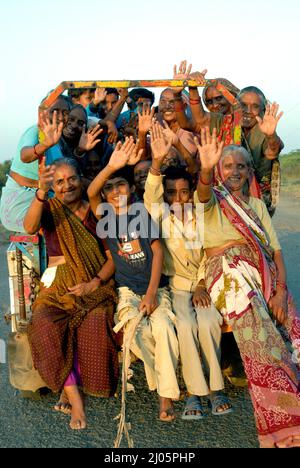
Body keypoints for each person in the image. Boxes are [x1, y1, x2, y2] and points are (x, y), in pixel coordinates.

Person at [194, 127, 300, 448]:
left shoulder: (255, 205)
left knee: (291, 327)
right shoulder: (211, 201)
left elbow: (276, 251)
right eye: (227, 166)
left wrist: (280, 290)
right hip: (229, 276)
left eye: (241, 166)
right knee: (261, 338)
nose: (235, 171)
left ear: (249, 171)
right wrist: (205, 170)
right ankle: (285, 425)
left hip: (264, 273)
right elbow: (201, 194)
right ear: (218, 171)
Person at [87, 138, 180, 422]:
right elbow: (91, 192)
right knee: (134, 335)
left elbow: (157, 250)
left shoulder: (141, 212)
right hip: (127, 291)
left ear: (131, 188)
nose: (116, 192)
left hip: (155, 288)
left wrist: (152, 295)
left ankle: (165, 397)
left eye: (121, 185)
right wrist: (112, 166)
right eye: (110, 188)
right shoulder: (104, 215)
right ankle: (163, 384)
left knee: (163, 327)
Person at [144, 122, 232, 419]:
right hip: (176, 287)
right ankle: (195, 393)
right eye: (172, 193)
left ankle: (216, 389)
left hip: (205, 283)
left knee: (208, 322)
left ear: (191, 192)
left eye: (184, 192)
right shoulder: (160, 214)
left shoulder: (201, 213)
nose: (178, 199)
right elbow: (151, 195)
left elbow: (210, 250)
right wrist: (156, 162)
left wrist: (202, 283)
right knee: (185, 325)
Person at [23, 157, 119, 430]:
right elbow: (29, 228)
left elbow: (112, 257)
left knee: (96, 320)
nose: (67, 186)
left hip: (93, 282)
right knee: (43, 324)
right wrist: (41, 192)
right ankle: (75, 397)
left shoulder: (97, 212)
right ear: (53, 186)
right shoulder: (49, 208)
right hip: (57, 288)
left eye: (72, 179)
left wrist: (95, 283)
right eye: (59, 182)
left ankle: (81, 386)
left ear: (81, 179)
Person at [0, 95, 72, 232]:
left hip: (46, 198)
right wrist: (45, 144)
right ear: (43, 113)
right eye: (55, 110)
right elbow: (25, 156)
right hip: (22, 201)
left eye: (65, 112)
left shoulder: (59, 142)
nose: (61, 116)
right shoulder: (35, 131)